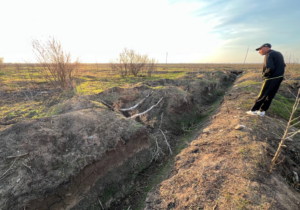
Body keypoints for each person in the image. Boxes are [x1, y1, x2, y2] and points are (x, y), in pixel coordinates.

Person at [246, 43, 286, 116]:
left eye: (260, 49)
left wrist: (265, 75)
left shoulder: (269, 55)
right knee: (270, 95)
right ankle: (262, 111)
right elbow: (284, 65)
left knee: (263, 94)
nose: (259, 51)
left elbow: (270, 68)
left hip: (271, 78)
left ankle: (254, 110)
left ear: (266, 48)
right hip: (279, 77)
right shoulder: (279, 53)